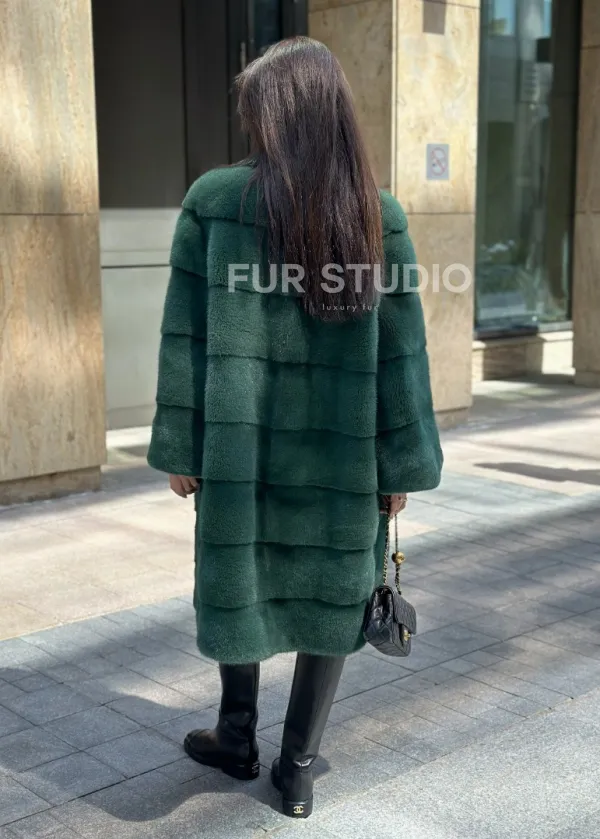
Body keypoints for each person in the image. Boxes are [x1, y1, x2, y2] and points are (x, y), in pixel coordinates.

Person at [147, 36, 442, 819]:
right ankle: (297, 768)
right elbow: (403, 360)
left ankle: (236, 734)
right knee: (333, 595)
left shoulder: (215, 202)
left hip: (240, 454)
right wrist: (400, 466)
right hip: (343, 466)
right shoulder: (376, 215)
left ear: (274, 113)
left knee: (239, 578)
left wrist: (182, 446)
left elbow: (186, 339)